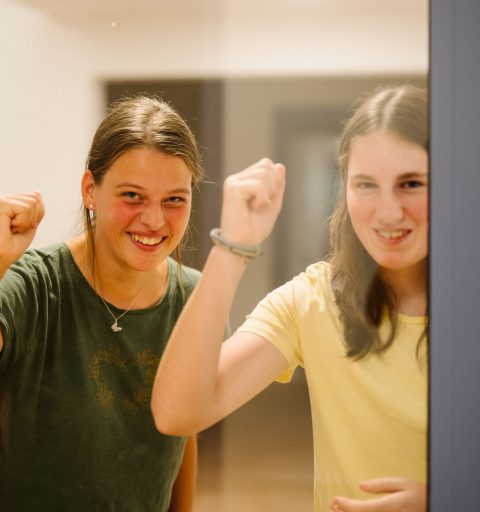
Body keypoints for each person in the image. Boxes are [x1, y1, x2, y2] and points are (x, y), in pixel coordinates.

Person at [0, 96, 202, 511]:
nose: (154, 220)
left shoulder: (192, 298)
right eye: (132, 195)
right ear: (90, 190)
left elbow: (183, 430)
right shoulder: (32, 287)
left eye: (174, 199)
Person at [151, 84, 428, 512]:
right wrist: (233, 245)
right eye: (366, 185)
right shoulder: (313, 301)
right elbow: (177, 412)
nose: (389, 211)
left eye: (411, 184)